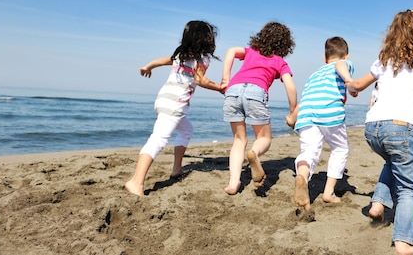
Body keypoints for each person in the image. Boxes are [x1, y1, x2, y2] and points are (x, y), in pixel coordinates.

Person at [347, 10, 413, 255]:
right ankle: (403, 242)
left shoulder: (384, 61)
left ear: (393, 34)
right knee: (408, 188)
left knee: (392, 161)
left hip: (372, 128)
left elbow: (359, 85)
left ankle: (377, 204)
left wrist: (351, 88)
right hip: (401, 128)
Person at [125, 20, 225, 197]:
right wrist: (220, 88)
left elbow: (161, 61)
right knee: (158, 140)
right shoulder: (202, 59)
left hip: (164, 100)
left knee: (186, 130)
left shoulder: (180, 55)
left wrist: (148, 66)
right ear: (207, 40)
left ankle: (176, 169)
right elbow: (200, 80)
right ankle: (136, 181)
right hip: (175, 103)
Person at [221, 21, 298, 195]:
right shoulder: (280, 62)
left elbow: (231, 51)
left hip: (233, 89)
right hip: (256, 92)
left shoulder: (250, 52)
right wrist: (293, 111)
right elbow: (291, 87)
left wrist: (225, 79)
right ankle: (254, 153)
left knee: (239, 140)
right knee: (264, 138)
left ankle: (233, 183)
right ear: (285, 45)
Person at [285, 36, 357, 211]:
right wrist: (348, 81)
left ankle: (302, 175)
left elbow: (305, 100)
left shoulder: (314, 75)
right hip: (330, 112)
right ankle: (328, 193)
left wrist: (293, 118)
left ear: (324, 58)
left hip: (306, 115)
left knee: (308, 152)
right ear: (346, 56)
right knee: (340, 149)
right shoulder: (343, 64)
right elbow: (339, 65)